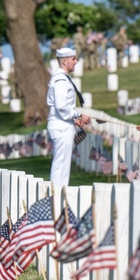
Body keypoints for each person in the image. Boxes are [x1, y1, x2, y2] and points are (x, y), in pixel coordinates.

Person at [47, 46, 90, 188]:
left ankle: (59, 196)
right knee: (60, 165)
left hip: (64, 124)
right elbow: (61, 106)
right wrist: (78, 115)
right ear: (64, 61)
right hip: (61, 127)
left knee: (64, 165)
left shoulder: (64, 78)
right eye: (73, 59)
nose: (76, 62)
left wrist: (74, 119)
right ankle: (55, 197)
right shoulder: (60, 80)